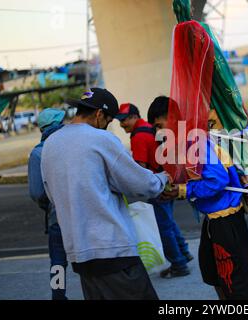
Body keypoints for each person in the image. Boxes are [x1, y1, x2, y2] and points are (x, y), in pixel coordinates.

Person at [40, 88, 169, 300]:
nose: (108, 127)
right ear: (100, 114)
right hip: (112, 249)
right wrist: (162, 178)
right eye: (109, 121)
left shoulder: (50, 144)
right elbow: (141, 183)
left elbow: (51, 195)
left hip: (79, 253)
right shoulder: (100, 139)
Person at [155, 96, 248, 300]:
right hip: (214, 219)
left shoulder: (193, 141)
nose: (159, 132)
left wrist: (182, 190)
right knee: (214, 273)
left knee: (234, 278)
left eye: (160, 125)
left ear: (171, 118)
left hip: (225, 218)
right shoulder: (189, 139)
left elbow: (217, 180)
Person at [115, 100, 192, 278]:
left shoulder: (139, 136)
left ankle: (179, 265)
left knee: (163, 226)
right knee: (169, 221)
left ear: (135, 117)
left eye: (125, 120)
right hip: (168, 177)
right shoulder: (149, 128)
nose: (122, 124)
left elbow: (139, 168)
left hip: (158, 184)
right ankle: (184, 253)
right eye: (119, 121)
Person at [28, 108, 68, 300]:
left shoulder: (37, 154)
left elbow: (36, 192)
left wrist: (48, 204)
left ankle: (58, 296)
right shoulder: (75, 145)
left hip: (57, 219)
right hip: (84, 215)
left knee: (58, 262)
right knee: (89, 261)